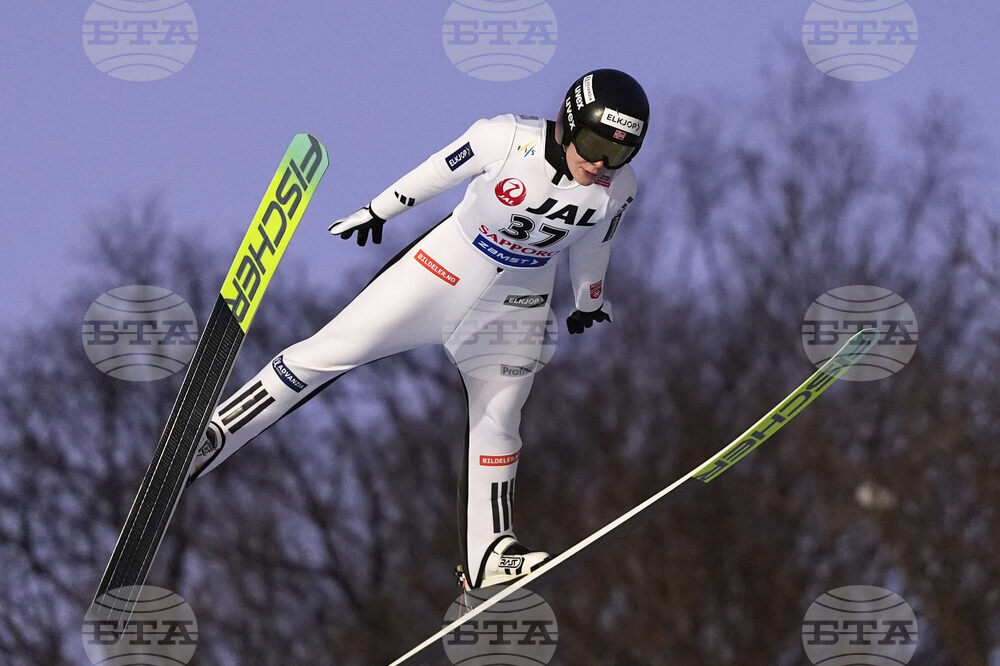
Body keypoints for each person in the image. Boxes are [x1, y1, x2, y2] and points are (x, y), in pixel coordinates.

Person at [187, 68, 649, 590]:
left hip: (514, 305)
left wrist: (589, 302)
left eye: (618, 153)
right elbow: (437, 171)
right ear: (567, 123)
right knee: (331, 350)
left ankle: (491, 552)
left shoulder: (618, 189)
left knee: (500, 417)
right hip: (440, 272)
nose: (599, 163)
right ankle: (215, 434)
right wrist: (377, 210)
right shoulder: (503, 138)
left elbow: (595, 245)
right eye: (592, 144)